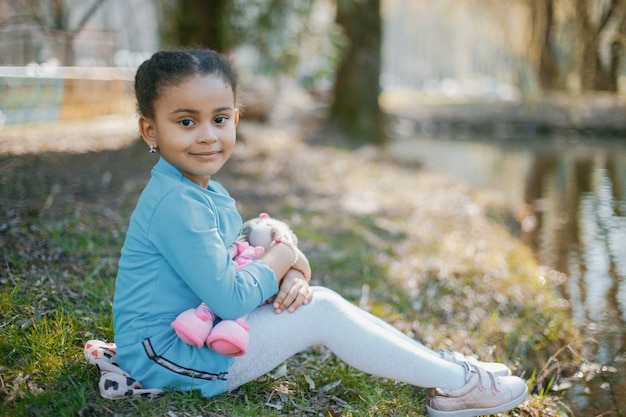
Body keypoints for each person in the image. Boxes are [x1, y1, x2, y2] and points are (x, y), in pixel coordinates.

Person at [111, 49, 528, 417]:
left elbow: (233, 255)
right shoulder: (175, 204)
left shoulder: (199, 189)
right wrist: (284, 256)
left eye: (220, 119)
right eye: (186, 121)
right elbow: (229, 297)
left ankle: (446, 371)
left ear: (236, 119)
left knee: (322, 301)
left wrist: (284, 267)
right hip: (165, 357)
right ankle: (457, 384)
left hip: (195, 331)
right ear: (150, 130)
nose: (207, 135)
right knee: (322, 313)